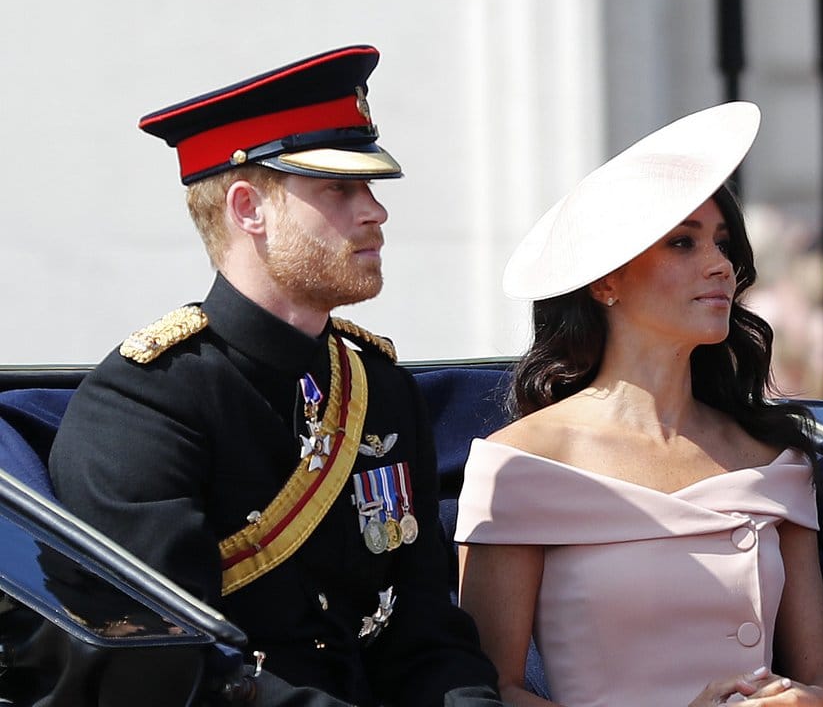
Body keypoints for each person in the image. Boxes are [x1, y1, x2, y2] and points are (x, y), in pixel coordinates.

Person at [48, 46, 501, 706]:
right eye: (339, 189)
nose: (375, 211)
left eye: (370, 187)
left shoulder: (380, 391)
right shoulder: (143, 403)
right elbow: (166, 660)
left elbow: (427, 634)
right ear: (247, 208)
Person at [453, 103, 823, 707]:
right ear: (605, 281)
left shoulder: (772, 458)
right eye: (682, 243)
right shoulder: (520, 463)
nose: (720, 265)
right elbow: (493, 692)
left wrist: (812, 702)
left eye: (722, 243)